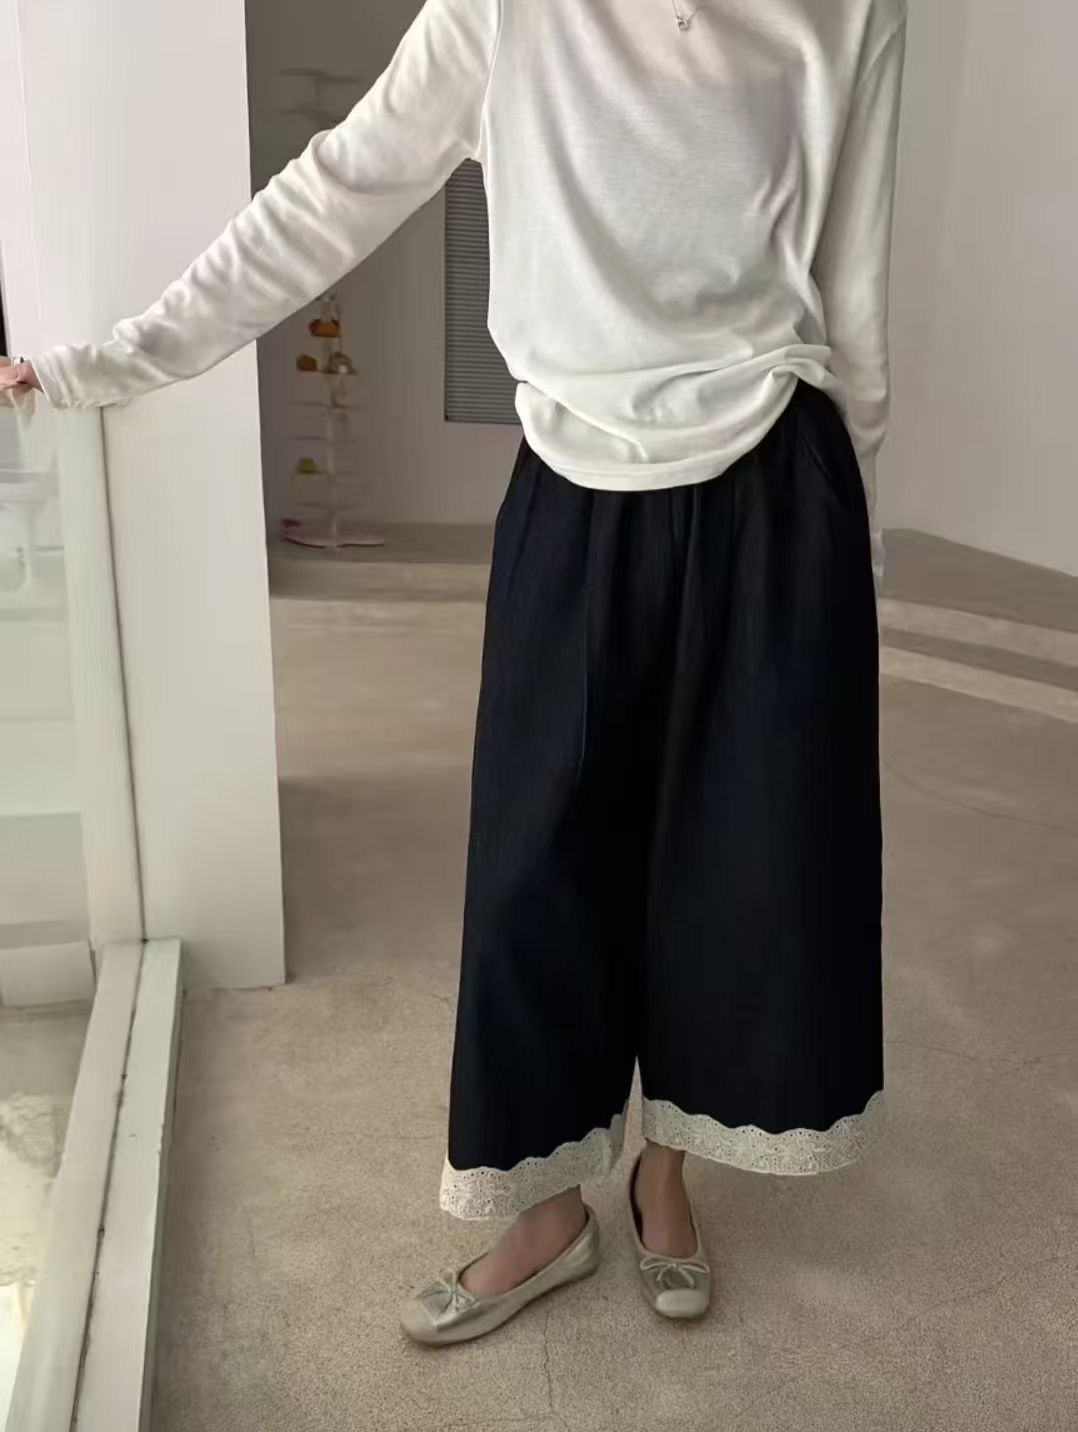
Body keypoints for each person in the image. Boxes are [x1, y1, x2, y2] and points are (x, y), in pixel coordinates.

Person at [2, 0, 906, 1344]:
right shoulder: (503, 10)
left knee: (737, 862)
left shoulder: (850, 9)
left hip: (776, 483)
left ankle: (665, 1175)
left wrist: (853, 553)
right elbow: (332, 193)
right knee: (537, 868)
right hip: (573, 490)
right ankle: (544, 1213)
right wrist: (111, 361)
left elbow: (855, 284)